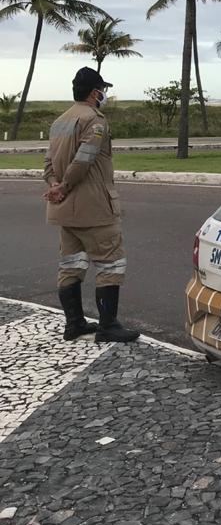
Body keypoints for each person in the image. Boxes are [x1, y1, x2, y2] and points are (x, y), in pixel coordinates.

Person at [43, 67, 139, 343]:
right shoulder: (95, 120)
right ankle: (108, 326)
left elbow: (48, 162)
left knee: (70, 265)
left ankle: (74, 324)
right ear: (96, 93)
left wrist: (54, 186)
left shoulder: (59, 121)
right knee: (111, 264)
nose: (104, 95)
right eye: (103, 91)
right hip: (94, 208)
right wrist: (64, 185)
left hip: (65, 210)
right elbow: (85, 158)